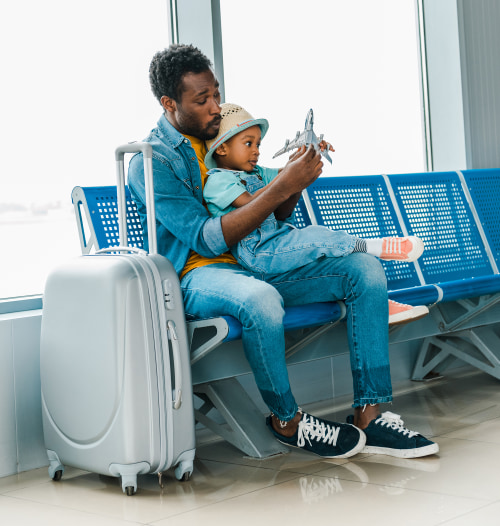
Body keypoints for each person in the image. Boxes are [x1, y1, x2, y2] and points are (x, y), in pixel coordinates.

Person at [128, 44, 439, 460]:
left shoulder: (224, 136)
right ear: (169, 103)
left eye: (216, 94)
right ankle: (287, 421)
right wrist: (281, 184)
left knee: (363, 270)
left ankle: (370, 414)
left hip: (260, 258)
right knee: (261, 299)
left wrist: (294, 179)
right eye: (202, 101)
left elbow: (275, 208)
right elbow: (206, 239)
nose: (215, 107)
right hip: (202, 274)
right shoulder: (152, 161)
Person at [202, 102, 428, 327]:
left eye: (258, 144)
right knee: (317, 236)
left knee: (342, 260)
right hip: (259, 253)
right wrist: (288, 178)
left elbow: (290, 175)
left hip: (278, 243)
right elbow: (251, 205)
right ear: (222, 148)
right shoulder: (217, 180)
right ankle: (376, 246)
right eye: (249, 143)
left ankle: (379, 303)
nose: (256, 151)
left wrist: (310, 153)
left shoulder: (258, 172)